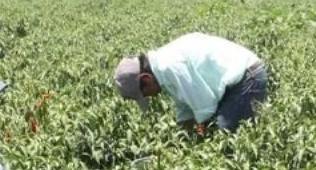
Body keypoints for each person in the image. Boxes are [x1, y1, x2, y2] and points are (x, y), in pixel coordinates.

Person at [114, 32, 268, 132]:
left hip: (248, 77)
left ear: (145, 79)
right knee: (211, 132)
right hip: (235, 82)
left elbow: (206, 108)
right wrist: (183, 133)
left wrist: (199, 134)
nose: (151, 97)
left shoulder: (169, 67)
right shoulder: (162, 69)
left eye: (145, 94)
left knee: (223, 133)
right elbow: (185, 106)